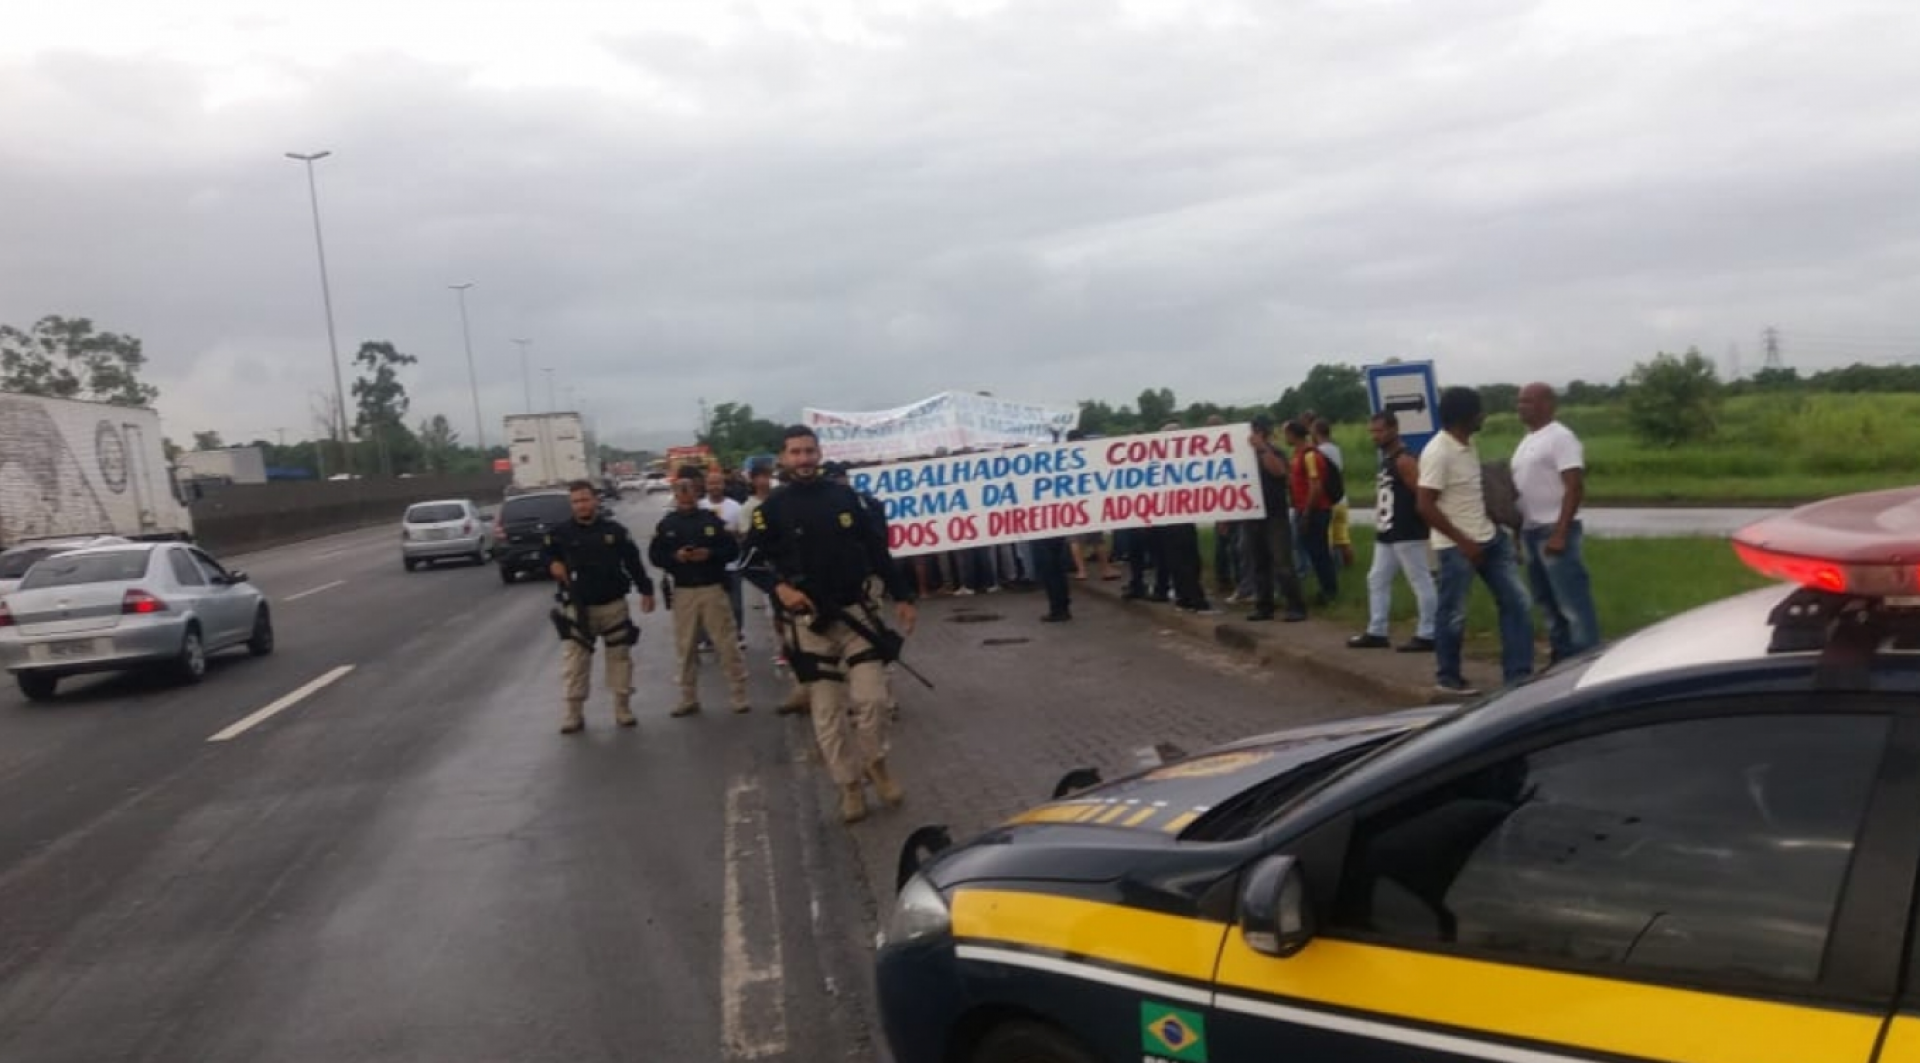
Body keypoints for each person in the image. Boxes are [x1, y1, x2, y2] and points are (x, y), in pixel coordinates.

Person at [748, 426, 918, 824]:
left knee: (873, 699)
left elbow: (879, 550)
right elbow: (746, 561)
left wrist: (904, 596)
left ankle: (875, 761)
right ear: (784, 458)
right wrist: (779, 588)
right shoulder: (770, 509)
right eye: (796, 452)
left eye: (809, 451)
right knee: (826, 716)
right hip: (808, 624)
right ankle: (850, 786)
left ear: (819, 453)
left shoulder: (847, 498)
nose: (804, 459)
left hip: (857, 614)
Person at [1417, 387, 1534, 697]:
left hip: (1489, 537)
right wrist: (1463, 541)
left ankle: (1518, 676)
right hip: (1457, 546)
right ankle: (1448, 679)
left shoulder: (1468, 445)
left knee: (1517, 602)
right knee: (1453, 613)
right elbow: (1425, 504)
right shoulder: (1438, 452)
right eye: (1479, 411)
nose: (1484, 416)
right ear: (1465, 416)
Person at [544, 479, 656, 734]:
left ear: (595, 500)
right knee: (575, 663)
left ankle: (622, 708)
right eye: (576, 501)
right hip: (577, 608)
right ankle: (574, 713)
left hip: (612, 604)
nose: (581, 505)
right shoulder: (559, 534)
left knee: (620, 658)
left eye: (585, 499)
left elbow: (633, 562)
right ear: (571, 505)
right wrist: (552, 564)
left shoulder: (615, 531)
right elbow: (546, 554)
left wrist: (646, 590)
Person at [1513, 382, 1602, 663]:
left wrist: (1560, 532)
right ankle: (1561, 660)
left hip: (1554, 529)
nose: (1521, 407)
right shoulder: (1528, 439)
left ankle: (1586, 661)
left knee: (1572, 604)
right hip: (1530, 530)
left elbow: (1574, 486)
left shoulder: (1560, 437)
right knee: (1547, 603)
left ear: (1548, 404)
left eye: (1528, 401)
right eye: (1519, 402)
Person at [650, 476, 751, 715]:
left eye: (689, 489)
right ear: (674, 493)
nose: (685, 494)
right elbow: (655, 556)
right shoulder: (667, 525)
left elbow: (732, 549)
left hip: (712, 587)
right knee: (685, 647)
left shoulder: (711, 520)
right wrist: (676, 557)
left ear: (697, 492)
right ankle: (688, 697)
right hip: (684, 590)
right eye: (680, 490)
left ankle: (739, 695)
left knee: (726, 643)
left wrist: (710, 554)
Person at [1348, 411, 1437, 652]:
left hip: (1406, 529)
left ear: (1394, 429)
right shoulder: (1386, 459)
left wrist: (1426, 522)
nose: (1374, 436)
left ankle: (1429, 633)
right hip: (1388, 529)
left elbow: (1421, 493)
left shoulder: (1404, 460)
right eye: (1372, 431)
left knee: (1420, 579)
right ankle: (1377, 630)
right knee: (1377, 578)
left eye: (1379, 431)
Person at [1244, 414, 1309, 622]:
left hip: (1274, 515)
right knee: (1259, 563)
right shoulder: (1243, 456)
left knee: (1282, 562)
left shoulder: (1275, 452)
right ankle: (1264, 606)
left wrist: (1262, 448)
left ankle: (1295, 606)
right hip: (1252, 515)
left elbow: (1279, 471)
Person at [1284, 420, 1339, 604]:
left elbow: (1315, 487)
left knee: (1319, 552)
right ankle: (1326, 588)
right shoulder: (1298, 454)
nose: (1285, 437)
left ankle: (1329, 590)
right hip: (1305, 509)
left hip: (1315, 510)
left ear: (1293, 434)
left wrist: (1306, 513)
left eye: (1286, 433)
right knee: (1312, 550)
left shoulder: (1309, 456)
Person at [699, 468, 747, 651]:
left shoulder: (735, 507)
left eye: (718, 483)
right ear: (706, 485)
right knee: (707, 605)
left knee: (734, 603)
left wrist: (730, 533)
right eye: (711, 483)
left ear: (724, 485)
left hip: (732, 564)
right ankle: (708, 638)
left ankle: (738, 634)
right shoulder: (700, 506)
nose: (714, 487)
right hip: (707, 566)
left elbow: (743, 534)